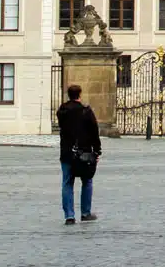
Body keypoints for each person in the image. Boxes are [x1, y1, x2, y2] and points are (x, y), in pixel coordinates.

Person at [57, 84, 101, 225]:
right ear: (79, 94)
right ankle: (85, 213)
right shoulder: (86, 111)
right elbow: (95, 132)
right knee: (87, 181)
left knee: (67, 183)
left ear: (68, 95)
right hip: (84, 152)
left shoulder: (62, 111)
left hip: (67, 152)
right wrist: (97, 150)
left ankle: (69, 216)